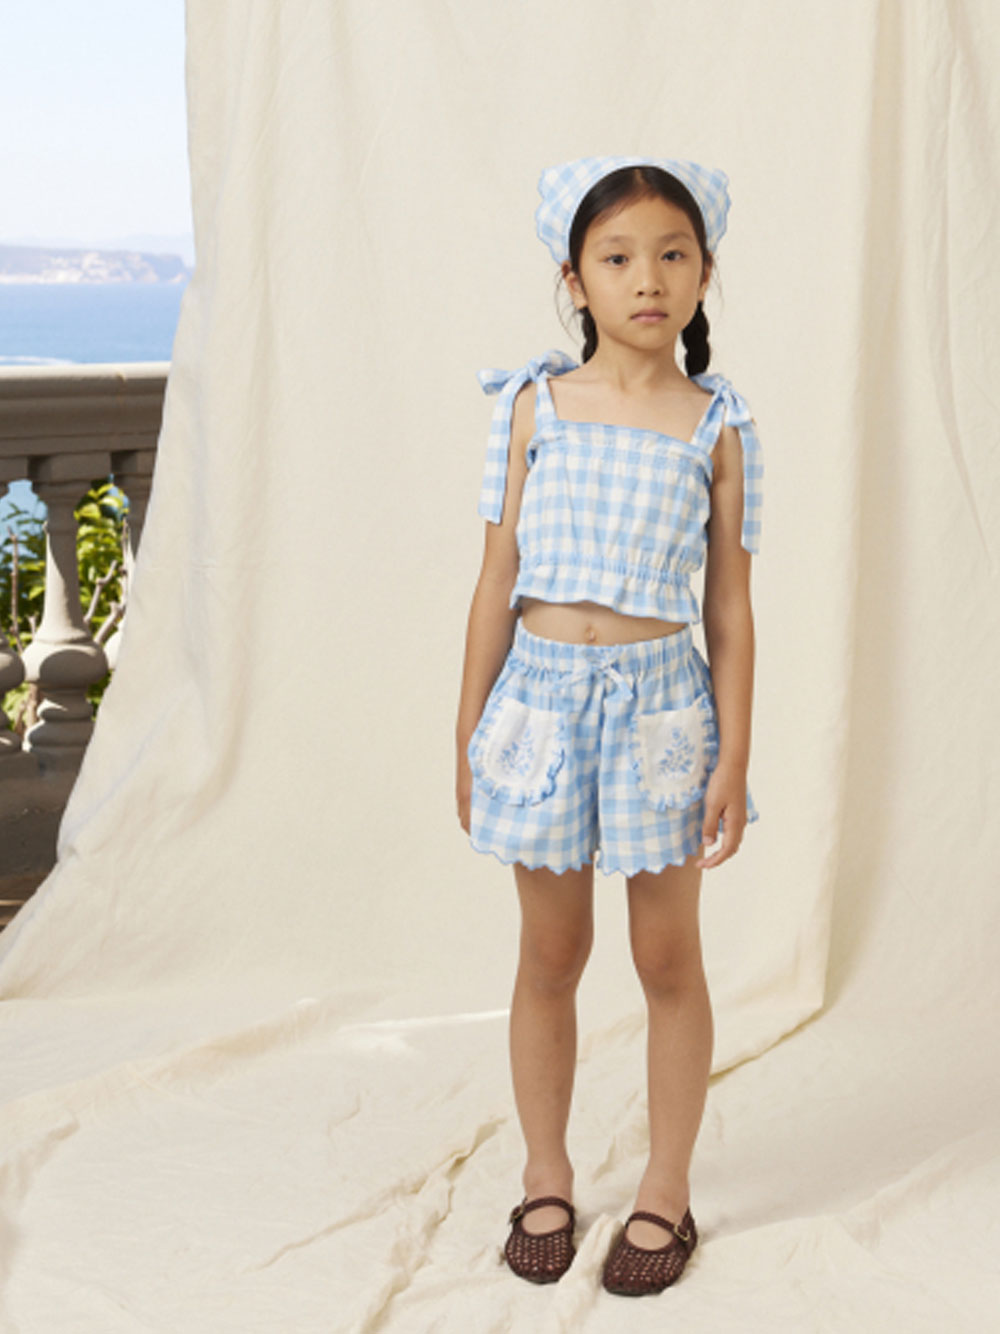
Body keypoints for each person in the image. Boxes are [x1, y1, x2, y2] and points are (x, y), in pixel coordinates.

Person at [454, 155, 763, 1298]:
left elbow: (728, 608)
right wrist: (467, 728)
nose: (647, 278)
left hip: (661, 711)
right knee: (550, 953)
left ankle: (665, 1187)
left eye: (672, 255)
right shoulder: (531, 406)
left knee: (666, 956)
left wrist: (733, 751)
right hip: (539, 704)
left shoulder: (716, 426)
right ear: (573, 279)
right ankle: (545, 1171)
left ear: (703, 273)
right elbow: (495, 580)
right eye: (618, 256)